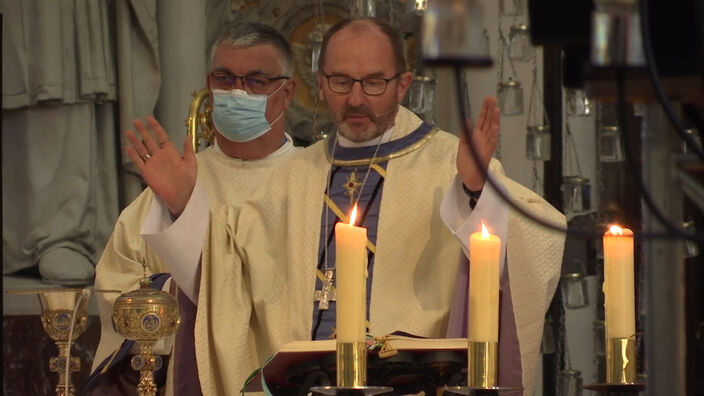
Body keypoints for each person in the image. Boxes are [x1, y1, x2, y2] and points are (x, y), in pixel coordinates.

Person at [136, 18, 566, 395]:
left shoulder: (449, 164)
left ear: (403, 83)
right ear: (319, 84)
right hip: (302, 388)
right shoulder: (289, 178)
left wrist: (475, 194)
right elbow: (223, 276)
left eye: (374, 82)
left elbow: (539, 235)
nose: (356, 99)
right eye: (341, 81)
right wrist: (181, 206)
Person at [85, 22, 297, 395]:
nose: (237, 91)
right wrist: (165, 299)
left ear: (287, 91)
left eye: (256, 81)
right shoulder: (173, 186)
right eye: (225, 78)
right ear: (209, 85)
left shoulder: (313, 182)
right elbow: (114, 284)